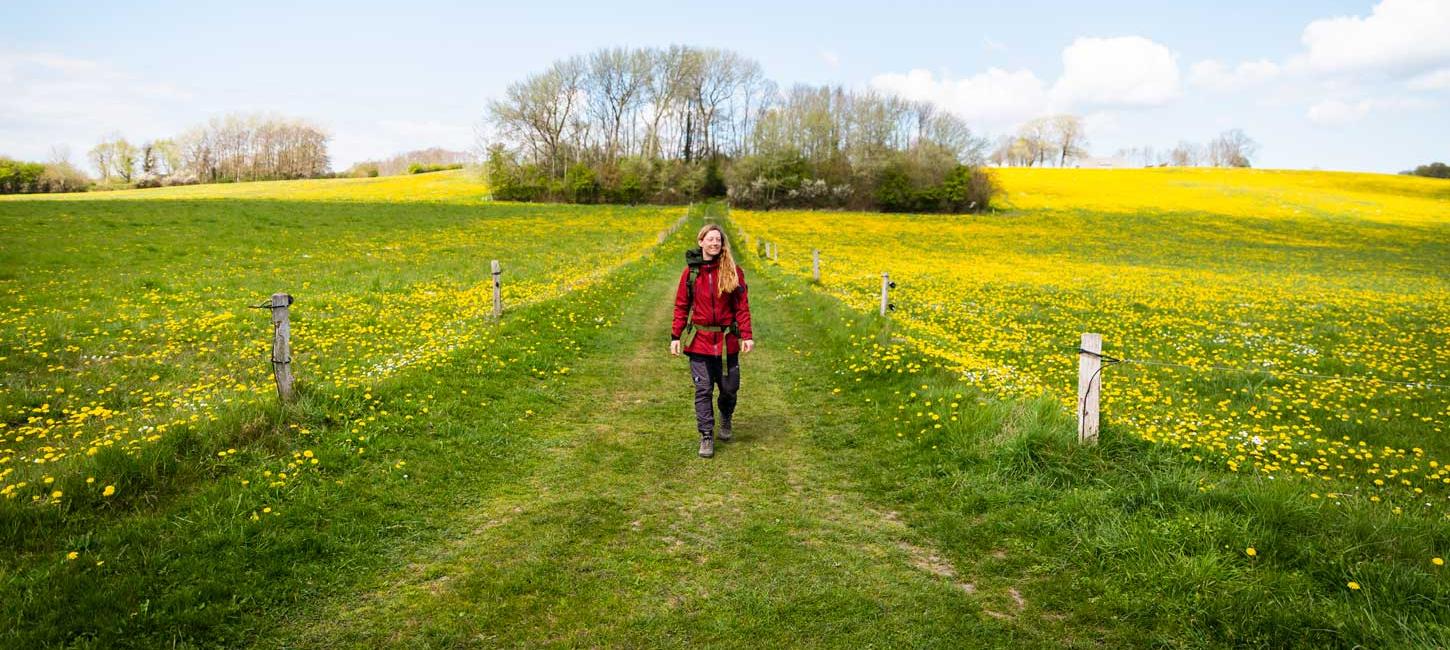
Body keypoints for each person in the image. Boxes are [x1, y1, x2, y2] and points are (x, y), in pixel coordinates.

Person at [670, 223, 754, 458]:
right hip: (700, 342)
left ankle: (726, 416)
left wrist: (746, 335)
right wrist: (675, 336)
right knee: (703, 389)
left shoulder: (733, 272)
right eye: (710, 239)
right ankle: (706, 435)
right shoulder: (691, 274)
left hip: (727, 342)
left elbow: (742, 307)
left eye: (718, 239)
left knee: (729, 389)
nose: (715, 243)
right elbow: (681, 306)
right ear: (701, 242)